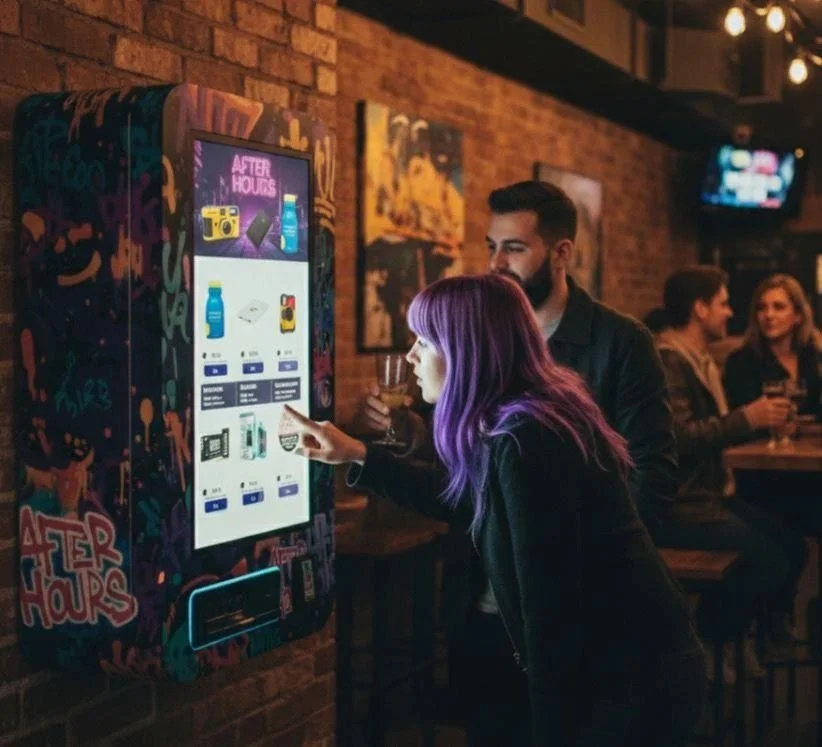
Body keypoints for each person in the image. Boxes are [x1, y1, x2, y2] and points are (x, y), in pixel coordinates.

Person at [289, 274, 706, 746]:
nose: (410, 357)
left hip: (629, 680)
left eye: (425, 340)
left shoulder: (527, 438)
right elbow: (464, 493)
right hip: (632, 662)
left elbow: (550, 611)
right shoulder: (521, 417)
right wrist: (357, 454)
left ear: (467, 351)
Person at [360, 180, 678, 532]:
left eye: (514, 248)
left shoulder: (621, 341)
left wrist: (595, 560)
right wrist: (411, 430)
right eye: (492, 246)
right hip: (483, 557)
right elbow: (461, 462)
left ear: (561, 254)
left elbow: (651, 476)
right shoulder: (478, 331)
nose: (496, 263)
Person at [656, 265, 808, 655]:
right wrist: (748, 419)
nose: (731, 313)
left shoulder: (699, 359)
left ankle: (741, 640)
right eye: (723, 304)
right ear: (700, 309)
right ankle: (704, 643)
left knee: (793, 546)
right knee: (770, 561)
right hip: (681, 508)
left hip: (708, 495)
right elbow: (680, 436)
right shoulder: (668, 361)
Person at [724, 273, 821, 420]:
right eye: (761, 308)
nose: (768, 315)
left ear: (798, 316)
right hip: (760, 442)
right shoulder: (741, 361)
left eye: (778, 307)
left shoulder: (813, 355)